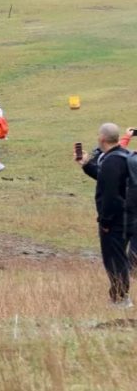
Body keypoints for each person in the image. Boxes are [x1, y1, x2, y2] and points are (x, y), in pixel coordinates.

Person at [79, 123, 135, 308]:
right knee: (119, 257)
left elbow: (110, 194)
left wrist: (105, 221)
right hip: (128, 218)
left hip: (115, 221)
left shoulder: (112, 161)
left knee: (114, 259)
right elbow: (106, 179)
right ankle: (119, 296)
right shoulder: (122, 156)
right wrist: (87, 165)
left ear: (102, 138)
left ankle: (120, 298)